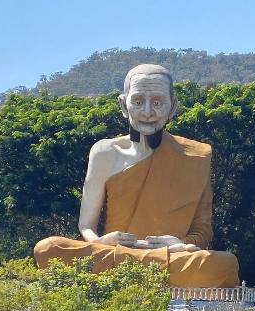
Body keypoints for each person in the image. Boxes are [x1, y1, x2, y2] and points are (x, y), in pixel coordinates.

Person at [33, 64, 240, 288]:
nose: (148, 112)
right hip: (114, 253)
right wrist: (102, 242)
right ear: (124, 105)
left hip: (169, 257)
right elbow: (87, 226)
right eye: (138, 102)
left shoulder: (196, 154)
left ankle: (134, 274)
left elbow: (203, 231)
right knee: (48, 248)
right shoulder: (104, 152)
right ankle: (143, 273)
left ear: (173, 106)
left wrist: (179, 243)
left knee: (224, 264)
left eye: (158, 102)